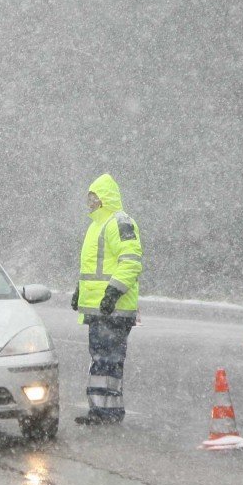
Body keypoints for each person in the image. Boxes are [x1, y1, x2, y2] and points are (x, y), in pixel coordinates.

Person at [70, 173, 143, 425]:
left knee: (108, 361)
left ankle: (107, 412)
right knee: (101, 361)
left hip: (115, 309)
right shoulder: (96, 226)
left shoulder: (119, 222)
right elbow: (93, 267)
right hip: (99, 310)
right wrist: (80, 290)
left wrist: (113, 291)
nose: (90, 203)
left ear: (105, 198)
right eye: (89, 198)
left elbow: (131, 262)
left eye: (94, 198)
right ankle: (101, 411)